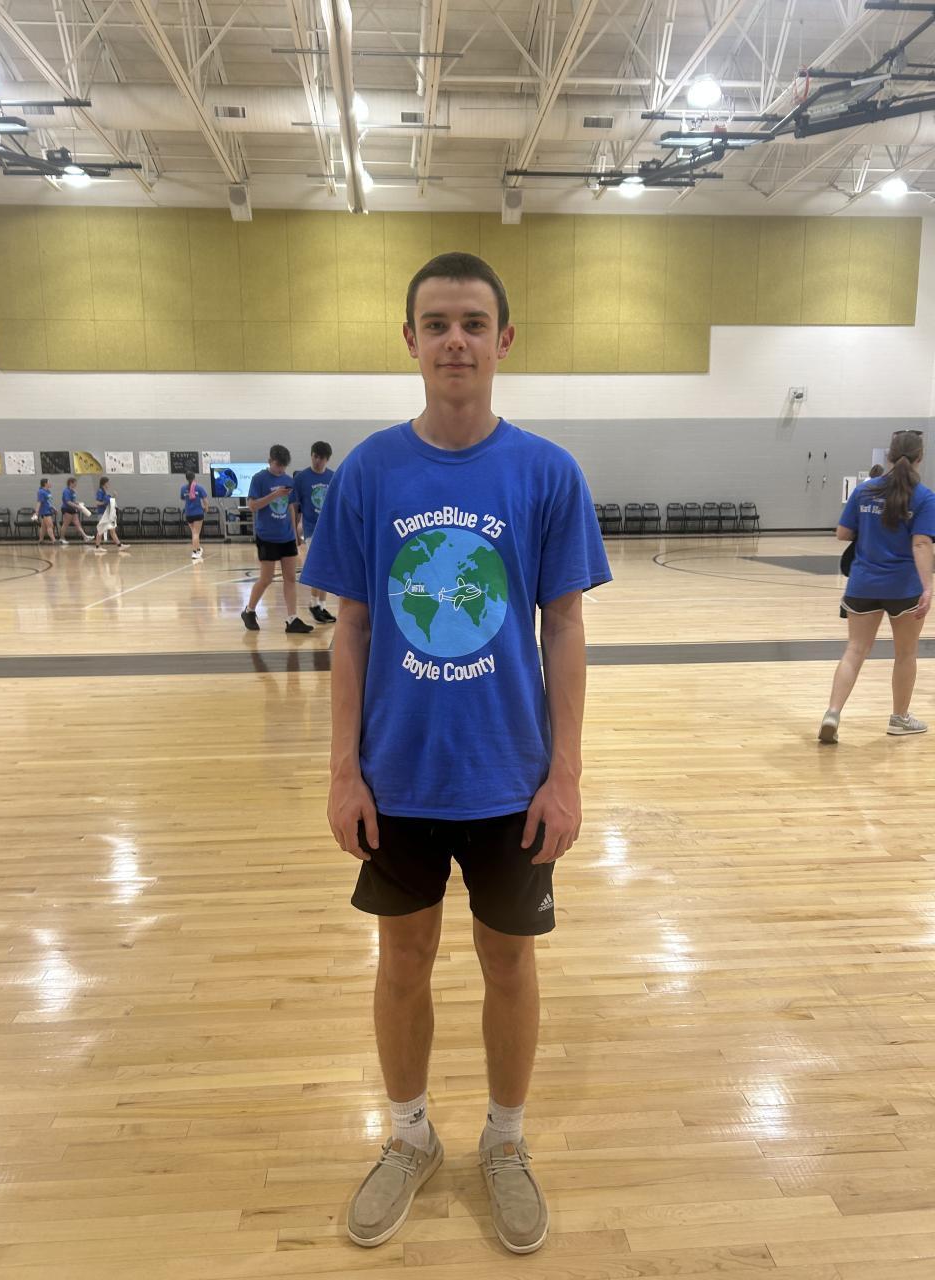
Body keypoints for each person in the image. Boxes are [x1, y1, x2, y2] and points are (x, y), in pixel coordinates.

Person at [300, 252, 611, 1255]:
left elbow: (565, 627)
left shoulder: (547, 472)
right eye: (436, 323)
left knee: (509, 963)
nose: (455, 341)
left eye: (473, 322)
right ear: (410, 340)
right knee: (402, 961)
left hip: (509, 776)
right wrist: (343, 771)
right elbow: (351, 629)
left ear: (504, 339)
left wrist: (565, 775)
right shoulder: (369, 472)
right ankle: (409, 1136)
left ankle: (505, 1142)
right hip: (397, 775)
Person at [820, 429, 935, 744]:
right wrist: (928, 588)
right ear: (920, 458)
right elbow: (921, 544)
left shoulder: (864, 491)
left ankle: (832, 713)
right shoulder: (924, 497)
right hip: (904, 588)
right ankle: (899, 718)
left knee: (855, 650)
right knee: (905, 654)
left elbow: (842, 533)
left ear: (889, 456)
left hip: (863, 583)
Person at [240, 444, 314, 634]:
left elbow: (290, 507)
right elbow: (252, 506)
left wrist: (295, 533)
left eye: (283, 466)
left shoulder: (289, 480)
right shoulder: (259, 479)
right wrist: (274, 495)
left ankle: (292, 619)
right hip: (267, 536)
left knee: (290, 578)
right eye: (278, 465)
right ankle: (249, 611)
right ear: (270, 461)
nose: (281, 469)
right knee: (266, 578)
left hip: (286, 536)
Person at [293, 441, 336, 624]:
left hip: (329, 529)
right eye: (315, 457)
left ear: (327, 459)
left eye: (322, 458)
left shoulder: (333, 477)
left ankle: (322, 606)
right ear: (311, 455)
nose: (318, 461)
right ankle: (313, 603)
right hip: (311, 529)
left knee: (326, 568)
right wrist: (295, 531)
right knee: (318, 566)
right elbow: (295, 506)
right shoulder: (302, 478)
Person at [93, 477, 130, 553]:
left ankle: (119, 545)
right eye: (108, 483)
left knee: (112, 529)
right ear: (104, 483)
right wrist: (104, 503)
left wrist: (113, 496)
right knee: (100, 530)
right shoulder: (100, 491)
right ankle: (97, 547)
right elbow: (97, 502)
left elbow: (109, 501)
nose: (109, 484)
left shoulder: (105, 492)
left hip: (108, 513)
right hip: (102, 514)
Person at [180, 471, 208, 560]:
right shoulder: (199, 488)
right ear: (194, 477)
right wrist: (206, 508)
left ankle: (198, 549)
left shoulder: (183, 488)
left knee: (194, 533)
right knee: (196, 533)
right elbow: (205, 500)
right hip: (198, 513)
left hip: (188, 514)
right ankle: (194, 552)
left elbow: (183, 498)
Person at [58, 477, 92, 544]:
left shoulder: (73, 491)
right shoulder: (66, 491)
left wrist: (78, 503)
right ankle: (61, 538)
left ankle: (85, 537)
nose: (76, 484)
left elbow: (73, 501)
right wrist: (77, 507)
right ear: (71, 483)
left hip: (73, 509)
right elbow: (68, 502)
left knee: (77, 523)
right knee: (65, 524)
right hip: (67, 509)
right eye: (75, 483)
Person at [32, 478, 57, 545]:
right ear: (45, 484)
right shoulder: (41, 492)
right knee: (50, 525)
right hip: (45, 511)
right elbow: (39, 502)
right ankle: (54, 540)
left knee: (43, 527)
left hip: (48, 510)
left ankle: (41, 540)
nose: (50, 483)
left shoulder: (48, 491)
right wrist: (36, 512)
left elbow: (48, 502)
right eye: (49, 482)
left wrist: (53, 508)